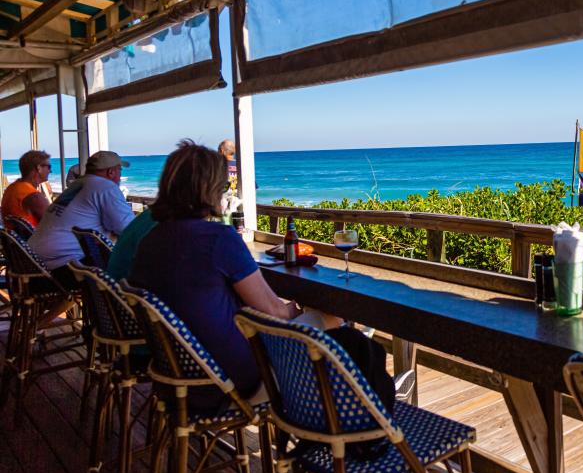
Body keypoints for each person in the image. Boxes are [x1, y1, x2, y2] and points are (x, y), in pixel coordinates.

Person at [129, 140, 393, 416]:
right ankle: (351, 409)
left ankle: (344, 399)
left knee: (320, 325)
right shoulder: (218, 240)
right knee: (329, 317)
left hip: (177, 377)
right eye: (221, 185)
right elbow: (275, 313)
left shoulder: (150, 241)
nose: (224, 190)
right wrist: (300, 309)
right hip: (233, 381)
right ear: (207, 190)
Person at [28, 151, 135, 288]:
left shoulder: (77, 185)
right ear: (111, 172)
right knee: (134, 271)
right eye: (119, 170)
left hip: (32, 263)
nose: (120, 176)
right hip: (61, 269)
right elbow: (130, 230)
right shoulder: (105, 187)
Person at [1, 150, 52, 227]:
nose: (50, 171)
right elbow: (54, 224)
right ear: (39, 168)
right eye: (48, 167)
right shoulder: (33, 196)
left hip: (19, 237)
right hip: (34, 238)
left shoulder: (12, 188)